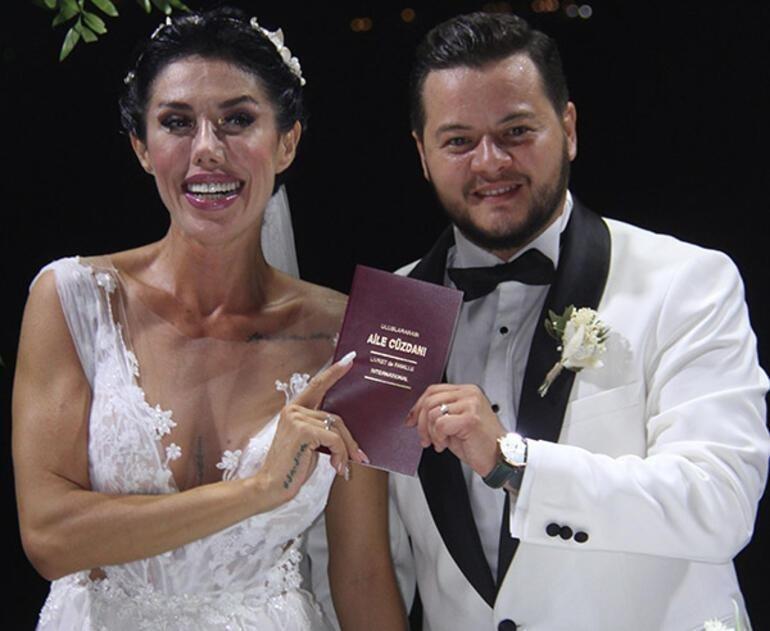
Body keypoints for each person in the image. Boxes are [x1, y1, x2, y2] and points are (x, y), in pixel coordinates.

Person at [12, 8, 405, 630]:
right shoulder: (71, 299)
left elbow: (362, 574)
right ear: (142, 147)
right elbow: (49, 538)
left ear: (288, 142)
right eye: (176, 123)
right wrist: (255, 491)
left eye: (237, 120)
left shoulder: (358, 335)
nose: (206, 150)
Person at [389, 11, 770, 630]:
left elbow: (719, 503)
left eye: (516, 131)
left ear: (567, 129)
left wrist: (513, 463)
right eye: (458, 141)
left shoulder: (687, 282)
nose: (489, 162)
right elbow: (379, 557)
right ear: (422, 155)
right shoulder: (391, 311)